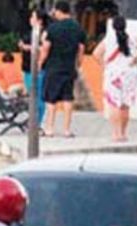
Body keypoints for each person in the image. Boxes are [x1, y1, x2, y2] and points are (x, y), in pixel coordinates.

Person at [93, 16, 137, 142]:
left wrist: (104, 65)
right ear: (125, 25)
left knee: (114, 104)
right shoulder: (131, 38)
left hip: (114, 74)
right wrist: (135, 58)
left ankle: (116, 133)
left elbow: (96, 54)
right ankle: (123, 134)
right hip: (130, 73)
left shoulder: (109, 39)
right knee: (125, 105)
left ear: (113, 26)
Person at [40, 1, 86, 138]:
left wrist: (40, 62)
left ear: (59, 11)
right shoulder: (78, 28)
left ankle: (49, 128)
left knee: (51, 100)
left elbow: (46, 49)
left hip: (53, 68)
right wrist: (77, 64)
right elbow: (81, 50)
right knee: (67, 98)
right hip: (69, 68)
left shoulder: (53, 29)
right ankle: (66, 130)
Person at [18, 9, 48, 123]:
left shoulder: (43, 33)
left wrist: (28, 47)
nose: (30, 19)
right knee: (32, 95)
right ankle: (33, 120)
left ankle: (37, 122)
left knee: (38, 96)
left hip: (37, 69)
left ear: (39, 20)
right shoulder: (30, 32)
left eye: (33, 17)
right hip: (27, 68)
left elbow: (44, 48)